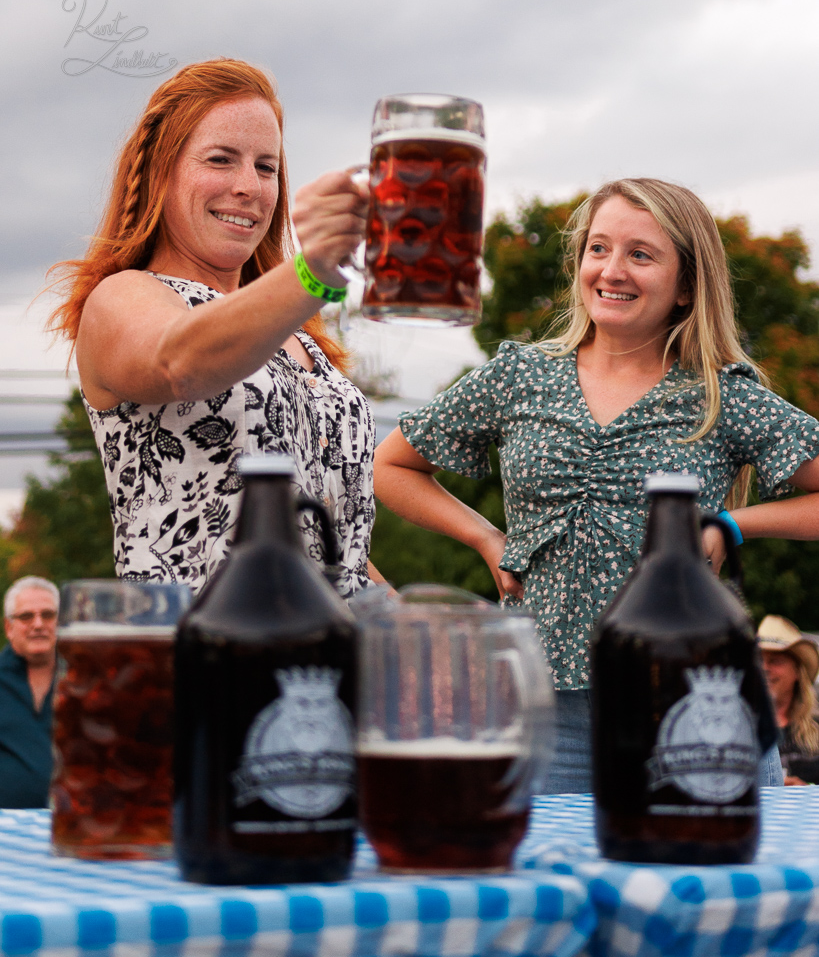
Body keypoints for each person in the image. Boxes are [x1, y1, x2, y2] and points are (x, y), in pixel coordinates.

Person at [374, 177, 819, 792]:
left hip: (693, 704)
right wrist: (484, 537)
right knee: (550, 886)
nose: (612, 270)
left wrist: (732, 525)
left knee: (709, 881)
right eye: (598, 248)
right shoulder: (519, 376)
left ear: (687, 284)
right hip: (545, 711)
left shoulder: (723, 395)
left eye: (641, 254)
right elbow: (389, 467)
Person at [49, 58, 379, 597]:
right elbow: (180, 360)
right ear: (161, 171)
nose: (248, 187)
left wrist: (411, 623)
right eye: (221, 160)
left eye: (266, 168)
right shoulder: (124, 297)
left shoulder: (297, 337)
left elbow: (337, 553)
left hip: (327, 665)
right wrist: (314, 269)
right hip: (203, 654)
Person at [0, 577, 59, 808]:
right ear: (9, 628)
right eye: (26, 616)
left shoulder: (86, 685)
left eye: (48, 615)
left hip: (76, 828)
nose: (38, 624)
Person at [757, 614, 819, 785]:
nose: (764, 668)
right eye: (758, 660)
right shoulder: (739, 730)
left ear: (798, 671)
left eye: (775, 661)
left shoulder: (817, 727)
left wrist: (807, 792)